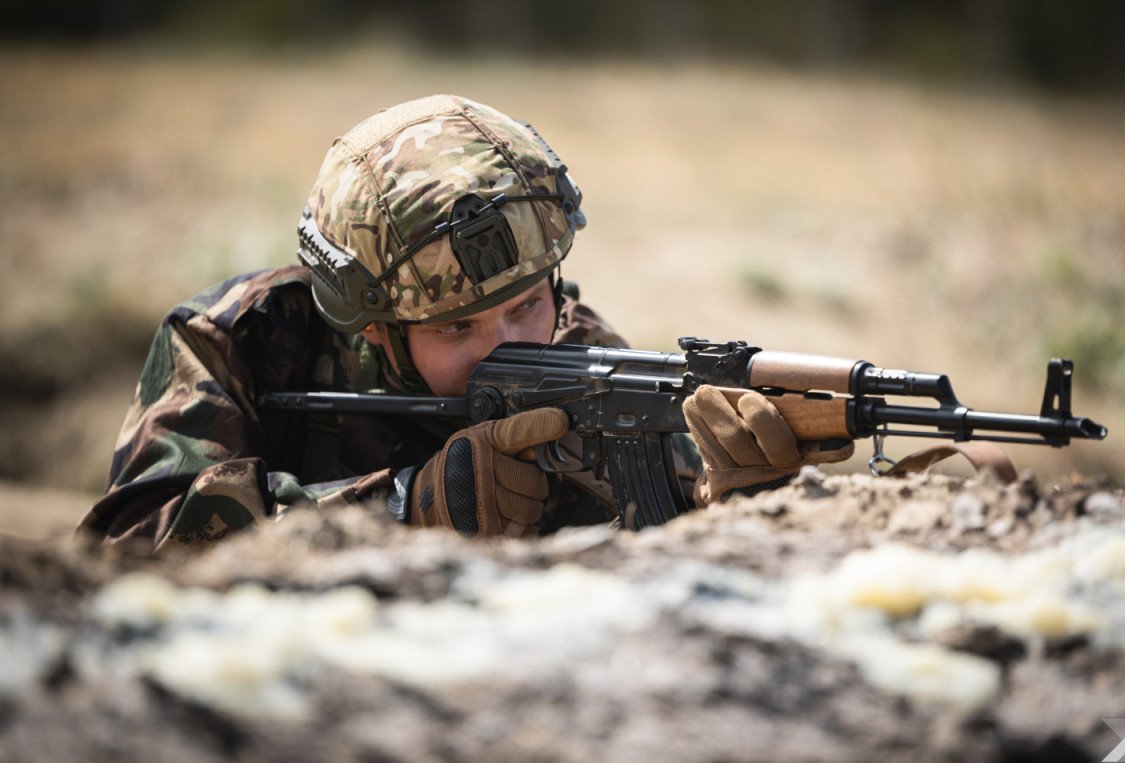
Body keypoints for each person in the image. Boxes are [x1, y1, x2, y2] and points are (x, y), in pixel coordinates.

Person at [81, 95, 850, 551]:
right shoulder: (236, 343)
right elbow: (123, 548)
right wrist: (399, 510)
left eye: (524, 305)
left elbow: (662, 540)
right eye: (457, 329)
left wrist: (731, 501)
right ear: (375, 330)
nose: (508, 348)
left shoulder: (583, 358)